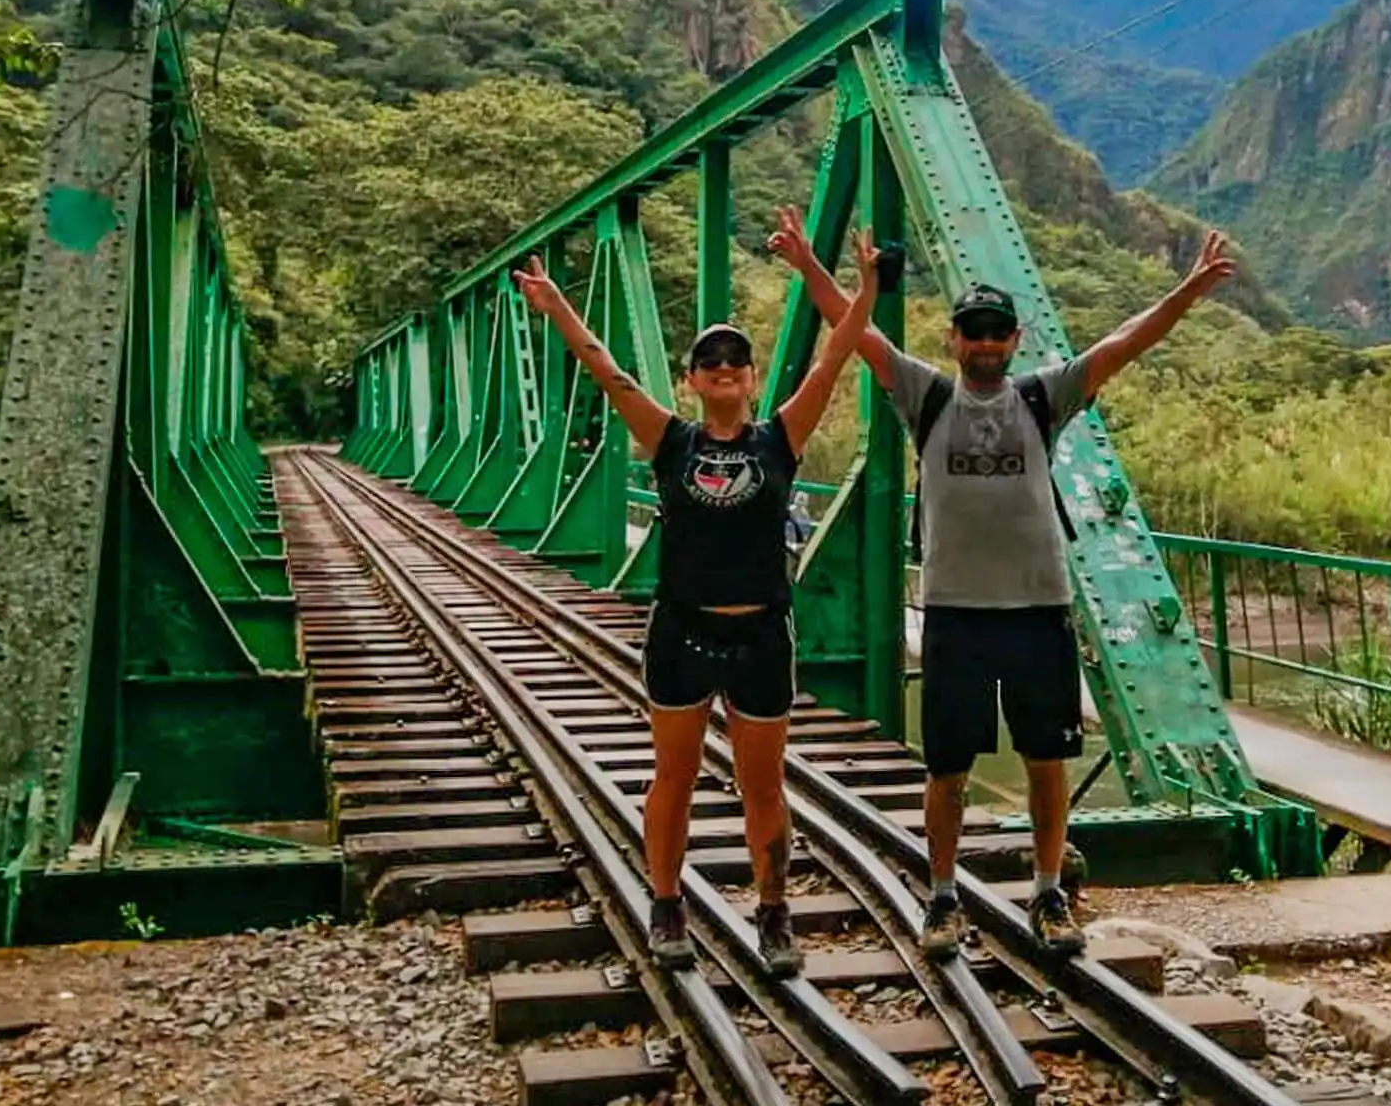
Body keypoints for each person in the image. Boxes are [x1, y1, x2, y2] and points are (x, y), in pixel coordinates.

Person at [769, 208, 1235, 958]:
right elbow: (858, 335)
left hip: (1037, 612)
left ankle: (1049, 894)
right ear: (953, 339)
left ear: (1013, 340)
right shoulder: (928, 397)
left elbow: (1125, 344)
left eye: (997, 332)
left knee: (1045, 761)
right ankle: (944, 898)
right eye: (972, 331)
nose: (985, 343)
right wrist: (807, 266)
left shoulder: (1040, 398)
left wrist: (1186, 291)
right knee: (946, 766)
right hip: (956, 614)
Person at [510, 228, 884, 974]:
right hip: (681, 633)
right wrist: (556, 310)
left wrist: (862, 287)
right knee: (673, 775)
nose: (722, 370)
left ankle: (773, 915)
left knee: (763, 785)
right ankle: (667, 903)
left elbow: (836, 356)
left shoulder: (781, 438)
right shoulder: (670, 441)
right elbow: (605, 370)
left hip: (761, 638)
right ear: (691, 380)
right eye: (708, 362)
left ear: (750, 379)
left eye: (735, 362)